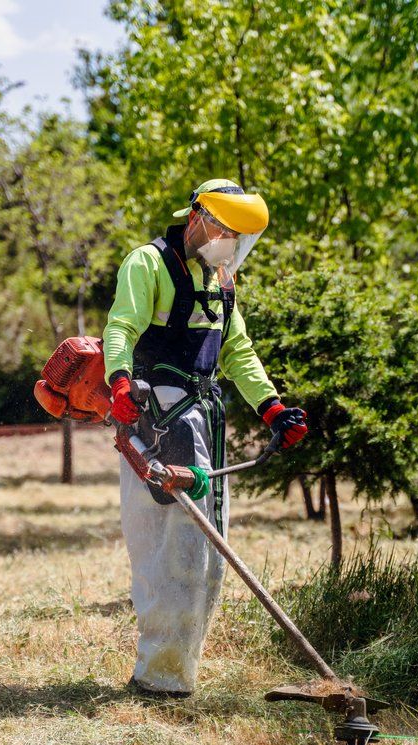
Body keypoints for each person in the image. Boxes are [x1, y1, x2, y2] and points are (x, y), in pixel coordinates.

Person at [103, 179, 307, 697]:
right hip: (157, 420)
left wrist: (272, 407)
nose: (230, 244)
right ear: (197, 218)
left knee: (208, 558)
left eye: (239, 237)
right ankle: (157, 679)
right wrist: (120, 381)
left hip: (204, 423)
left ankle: (177, 674)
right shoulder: (149, 264)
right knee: (169, 553)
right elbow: (121, 328)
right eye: (225, 232)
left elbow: (237, 352)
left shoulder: (222, 280)